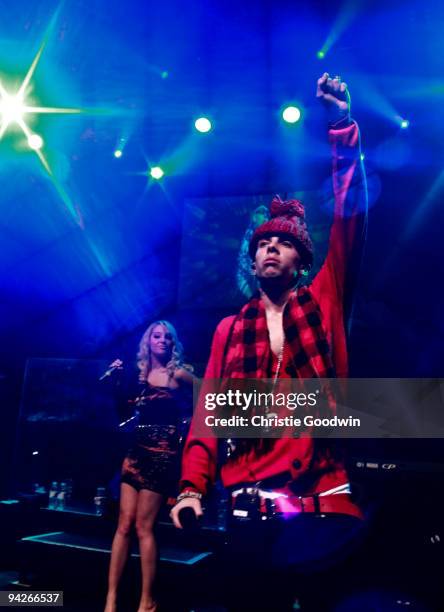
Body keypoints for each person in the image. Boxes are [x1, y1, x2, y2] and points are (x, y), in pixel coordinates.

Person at [170, 73, 368, 611]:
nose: (272, 249)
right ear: (252, 260)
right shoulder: (229, 330)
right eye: (264, 244)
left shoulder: (324, 302)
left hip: (321, 502)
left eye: (284, 243)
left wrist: (341, 129)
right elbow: (209, 415)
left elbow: (352, 221)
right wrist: (191, 486)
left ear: (302, 261)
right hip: (248, 507)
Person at [105, 321, 194, 612]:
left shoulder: (178, 374)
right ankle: (112, 599)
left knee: (144, 527)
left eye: (168, 337)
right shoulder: (139, 375)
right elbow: (123, 415)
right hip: (135, 452)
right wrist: (117, 383)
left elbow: (210, 397)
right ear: (148, 341)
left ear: (173, 343)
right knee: (123, 525)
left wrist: (186, 433)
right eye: (157, 336)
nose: (162, 340)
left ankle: (147, 601)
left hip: (161, 454)